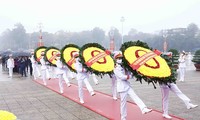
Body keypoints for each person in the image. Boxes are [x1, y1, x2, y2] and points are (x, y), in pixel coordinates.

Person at [113, 51, 152, 120]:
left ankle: (143, 108)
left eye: (121, 58)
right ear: (115, 59)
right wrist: (130, 76)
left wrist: (133, 71)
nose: (120, 59)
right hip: (122, 88)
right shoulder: (115, 67)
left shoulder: (124, 65)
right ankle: (123, 118)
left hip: (127, 86)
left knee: (135, 96)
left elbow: (129, 72)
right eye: (118, 58)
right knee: (123, 104)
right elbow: (122, 77)